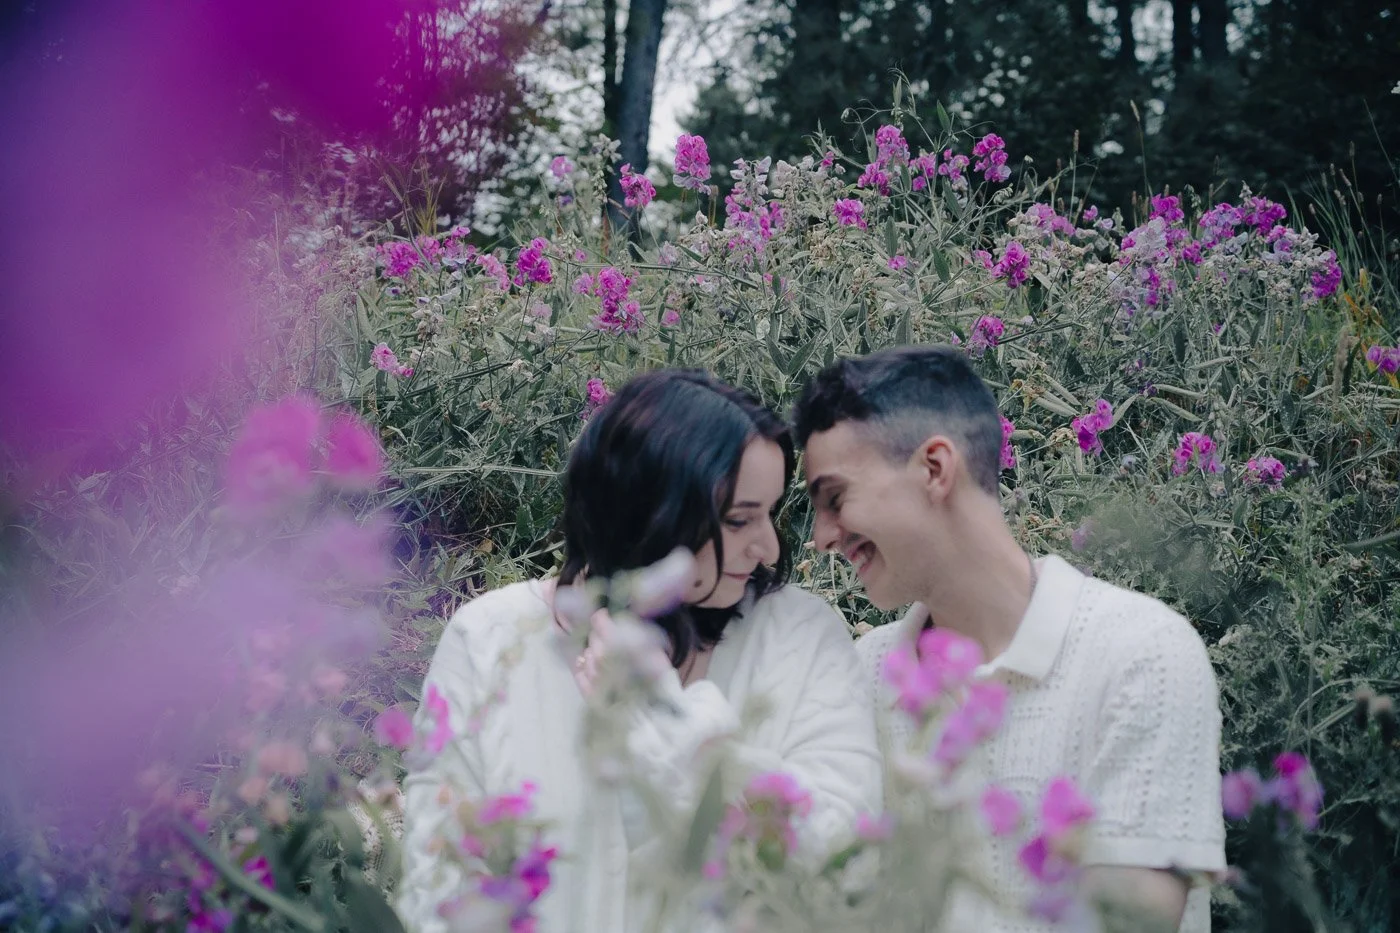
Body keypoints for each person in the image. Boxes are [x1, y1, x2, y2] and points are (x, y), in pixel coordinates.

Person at [397, 368, 882, 933]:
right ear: (651, 510)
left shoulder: (798, 635)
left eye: (770, 513)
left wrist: (672, 720)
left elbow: (846, 863)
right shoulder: (490, 639)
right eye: (738, 519)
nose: (769, 546)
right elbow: (435, 885)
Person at [792, 345, 1226, 932]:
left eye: (835, 499)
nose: (821, 536)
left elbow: (1131, 921)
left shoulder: (1141, 652)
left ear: (935, 469)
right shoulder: (861, 673)